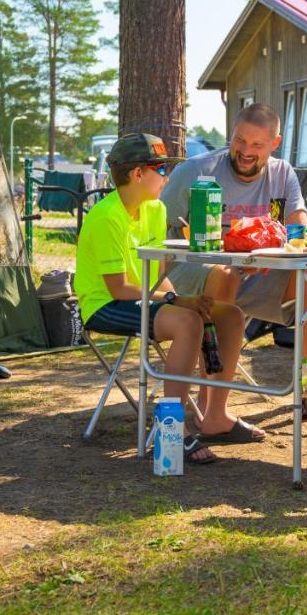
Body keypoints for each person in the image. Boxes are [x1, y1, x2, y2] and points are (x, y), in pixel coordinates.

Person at [161, 103, 307, 435]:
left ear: (274, 144)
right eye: (239, 141)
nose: (245, 152)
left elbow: (297, 230)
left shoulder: (282, 173)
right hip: (195, 274)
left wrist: (278, 252)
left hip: (258, 272)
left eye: (256, 145)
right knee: (225, 274)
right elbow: (157, 230)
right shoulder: (196, 172)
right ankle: (210, 405)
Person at [73, 133, 220, 466]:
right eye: (160, 168)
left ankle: (210, 416)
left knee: (206, 313)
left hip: (138, 298)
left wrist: (182, 298)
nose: (167, 177)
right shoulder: (106, 217)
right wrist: (174, 300)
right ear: (137, 174)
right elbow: (118, 289)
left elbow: (154, 276)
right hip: (104, 305)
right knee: (187, 320)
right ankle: (173, 430)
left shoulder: (156, 209)